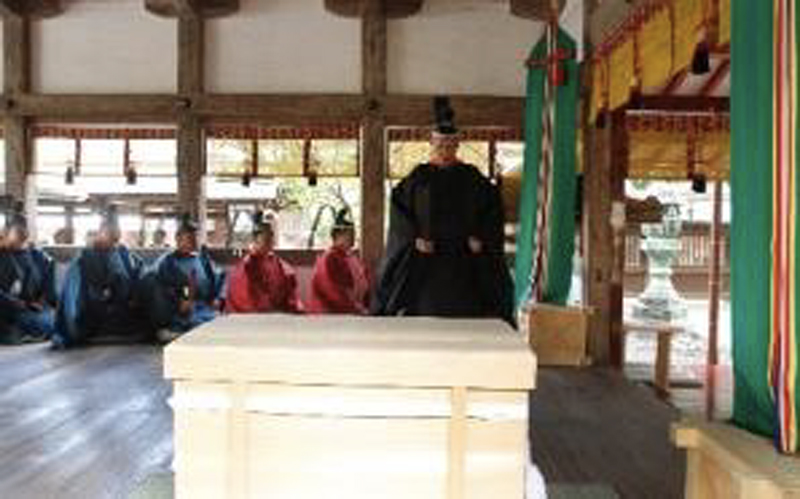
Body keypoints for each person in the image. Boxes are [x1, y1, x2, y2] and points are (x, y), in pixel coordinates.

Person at [372, 96, 514, 324]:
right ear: (432, 145)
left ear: (457, 146)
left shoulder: (471, 176)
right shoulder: (419, 177)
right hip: (427, 258)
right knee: (426, 314)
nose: (445, 150)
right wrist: (414, 238)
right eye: (440, 146)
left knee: (466, 316)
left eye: (449, 145)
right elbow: (399, 210)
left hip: (463, 258)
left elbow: (493, 208)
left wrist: (481, 237)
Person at [53, 205, 149, 348]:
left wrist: (133, 296)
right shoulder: (83, 260)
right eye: (107, 233)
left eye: (115, 236)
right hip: (90, 313)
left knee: (142, 325)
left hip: (117, 313)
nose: (112, 241)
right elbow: (72, 300)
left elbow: (137, 280)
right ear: (100, 232)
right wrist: (73, 329)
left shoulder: (123, 255)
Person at [142, 213, 225, 343]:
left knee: (220, 323)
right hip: (179, 311)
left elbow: (219, 277)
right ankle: (174, 331)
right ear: (178, 239)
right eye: (189, 238)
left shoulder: (202, 259)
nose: (194, 242)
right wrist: (178, 302)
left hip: (202, 307)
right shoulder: (168, 262)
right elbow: (161, 287)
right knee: (191, 324)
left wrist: (217, 298)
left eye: (196, 238)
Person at [0, 202, 57, 344]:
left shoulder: (37, 256)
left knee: (54, 321)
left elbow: (49, 291)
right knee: (43, 324)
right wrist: (17, 303)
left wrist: (40, 302)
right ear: (4, 233)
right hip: (8, 310)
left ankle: (25, 331)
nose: (21, 240)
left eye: (23, 237)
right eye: (16, 236)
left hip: (31, 309)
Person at [226, 211, 303, 314]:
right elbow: (244, 300)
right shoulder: (246, 267)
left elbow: (291, 297)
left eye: (270, 236)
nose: (269, 240)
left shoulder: (281, 267)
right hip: (253, 315)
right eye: (263, 237)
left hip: (276, 314)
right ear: (254, 240)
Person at [307, 208, 370, 314]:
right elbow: (332, 291)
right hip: (332, 314)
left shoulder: (352, 257)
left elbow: (364, 283)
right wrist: (355, 309)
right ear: (337, 235)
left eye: (354, 234)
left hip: (354, 309)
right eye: (349, 234)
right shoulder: (329, 258)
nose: (354, 237)